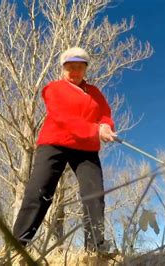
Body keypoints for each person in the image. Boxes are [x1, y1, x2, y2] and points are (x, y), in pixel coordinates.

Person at [12, 47, 117, 253]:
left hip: (86, 148)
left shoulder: (95, 93)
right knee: (39, 191)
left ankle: (95, 248)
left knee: (94, 193)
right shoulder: (53, 88)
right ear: (62, 69)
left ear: (85, 69)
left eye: (79, 67)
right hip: (55, 142)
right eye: (70, 68)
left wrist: (106, 126)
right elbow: (62, 118)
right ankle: (17, 245)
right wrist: (94, 129)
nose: (75, 72)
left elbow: (105, 114)